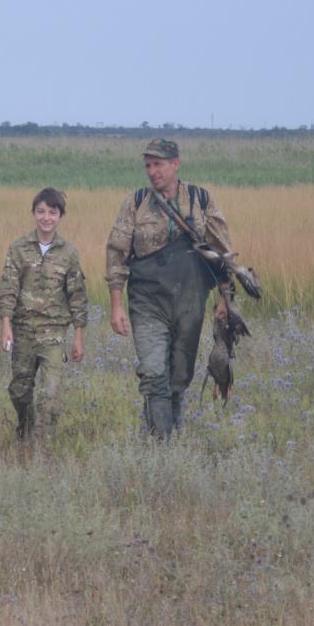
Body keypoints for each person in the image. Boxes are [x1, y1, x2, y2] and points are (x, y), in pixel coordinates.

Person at [105, 137, 237, 438]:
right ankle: (161, 445)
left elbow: (222, 251)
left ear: (175, 164)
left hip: (190, 301)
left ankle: (168, 434)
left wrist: (224, 298)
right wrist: (116, 306)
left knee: (179, 376)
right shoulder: (135, 202)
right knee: (153, 373)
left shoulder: (200, 200)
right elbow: (116, 254)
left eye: (158, 164)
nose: (152, 171)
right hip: (147, 302)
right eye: (148, 166)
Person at [0, 187, 87, 439]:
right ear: (34, 213)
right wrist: (6, 325)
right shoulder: (18, 248)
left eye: (52, 212)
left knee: (50, 393)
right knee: (20, 390)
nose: (46, 217)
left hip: (53, 333)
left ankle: (42, 447)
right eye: (41, 211)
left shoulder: (69, 253)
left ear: (60, 216)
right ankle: (25, 430)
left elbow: (77, 295)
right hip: (23, 330)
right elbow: (8, 287)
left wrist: (78, 335)